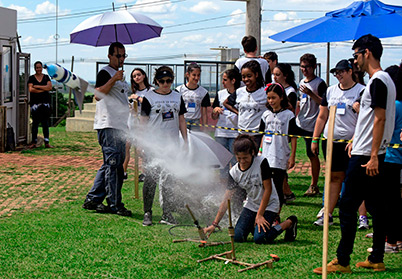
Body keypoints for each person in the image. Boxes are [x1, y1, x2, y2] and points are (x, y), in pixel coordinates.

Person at [314, 34, 396, 274]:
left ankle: (342, 260)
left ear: (367, 52)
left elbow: (380, 119)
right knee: (375, 206)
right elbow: (371, 120)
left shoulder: (378, 81)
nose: (355, 61)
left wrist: (371, 155)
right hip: (366, 151)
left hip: (366, 157)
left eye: (356, 55)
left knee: (347, 206)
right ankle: (377, 257)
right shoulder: (385, 80)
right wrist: (356, 140)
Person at [204, 134, 298, 244]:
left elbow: (268, 189)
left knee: (260, 238)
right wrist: (214, 224)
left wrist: (260, 215)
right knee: (238, 237)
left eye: (245, 158)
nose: (242, 161)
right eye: (239, 158)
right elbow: (226, 199)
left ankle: (289, 222)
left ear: (252, 153)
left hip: (269, 204)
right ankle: (255, 227)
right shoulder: (234, 173)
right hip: (252, 204)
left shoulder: (262, 162)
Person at [311, 59, 364, 227]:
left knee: (354, 179)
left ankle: (361, 216)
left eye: (341, 71)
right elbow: (322, 116)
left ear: (350, 71)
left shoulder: (361, 91)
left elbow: (365, 119)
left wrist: (355, 138)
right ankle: (328, 213)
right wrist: (315, 138)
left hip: (352, 143)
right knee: (334, 177)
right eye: (336, 72)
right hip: (331, 142)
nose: (338, 75)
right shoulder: (330, 91)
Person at [82, 42, 132, 217]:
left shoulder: (121, 76)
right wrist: (114, 79)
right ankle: (114, 203)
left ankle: (93, 198)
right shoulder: (106, 73)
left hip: (119, 126)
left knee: (112, 163)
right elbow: (98, 94)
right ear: (109, 56)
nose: (121, 59)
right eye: (118, 55)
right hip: (108, 125)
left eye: (124, 55)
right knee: (114, 165)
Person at [141, 66, 188, 226]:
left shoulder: (177, 96)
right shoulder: (149, 97)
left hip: (172, 146)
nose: (165, 84)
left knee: (169, 180)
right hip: (154, 146)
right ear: (156, 81)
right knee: (150, 179)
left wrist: (185, 141)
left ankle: (166, 213)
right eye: (162, 81)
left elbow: (181, 119)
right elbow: (143, 123)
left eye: (169, 81)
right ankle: (147, 212)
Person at [259, 83, 297, 209]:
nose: (271, 101)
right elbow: (263, 135)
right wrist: (260, 150)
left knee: (277, 185)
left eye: (273, 98)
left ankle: (277, 213)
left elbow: (293, 137)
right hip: (266, 155)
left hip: (280, 155)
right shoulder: (265, 115)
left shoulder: (288, 115)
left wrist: (292, 156)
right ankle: (267, 211)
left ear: (281, 97)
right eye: (269, 98)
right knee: (266, 185)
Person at [294, 53, 328, 197]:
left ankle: (314, 185)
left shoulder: (319, 83)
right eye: (302, 67)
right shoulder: (302, 82)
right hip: (300, 122)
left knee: (312, 154)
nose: (304, 70)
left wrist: (311, 94)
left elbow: (324, 103)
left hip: (312, 125)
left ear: (314, 67)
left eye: (307, 67)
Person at [223, 60, 267, 148]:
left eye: (249, 76)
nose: (246, 79)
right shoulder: (239, 91)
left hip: (257, 135)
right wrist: (238, 112)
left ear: (256, 75)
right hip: (241, 134)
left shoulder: (265, 91)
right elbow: (226, 103)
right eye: (243, 77)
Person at [382, 64, 402, 253]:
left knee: (390, 203)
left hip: (391, 158)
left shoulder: (395, 105)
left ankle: (391, 241)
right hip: (395, 158)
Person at [123, 68, 154, 180]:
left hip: (145, 123)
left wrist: (139, 98)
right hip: (133, 122)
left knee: (141, 149)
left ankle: (146, 171)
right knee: (126, 145)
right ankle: (124, 172)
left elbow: (151, 105)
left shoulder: (151, 91)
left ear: (144, 76)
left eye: (139, 75)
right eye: (134, 76)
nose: (137, 77)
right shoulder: (134, 92)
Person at [211, 69, 241, 179]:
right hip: (221, 133)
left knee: (235, 161)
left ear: (233, 81)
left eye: (225, 80)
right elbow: (214, 116)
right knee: (222, 162)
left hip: (235, 134)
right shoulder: (220, 94)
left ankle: (235, 184)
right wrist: (215, 111)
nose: (222, 82)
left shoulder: (241, 93)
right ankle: (223, 186)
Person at [176, 62, 210, 131]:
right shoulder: (179, 90)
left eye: (198, 75)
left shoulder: (203, 92)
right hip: (183, 121)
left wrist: (205, 128)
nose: (196, 78)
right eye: (194, 75)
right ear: (188, 74)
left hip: (196, 122)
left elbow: (204, 114)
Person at [27, 61, 53, 149]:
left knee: (45, 123)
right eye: (37, 68)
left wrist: (37, 87)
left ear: (42, 68)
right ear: (35, 68)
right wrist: (43, 89)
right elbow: (31, 89)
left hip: (45, 103)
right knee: (35, 123)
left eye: (40, 67)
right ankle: (34, 142)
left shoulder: (46, 77)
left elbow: (49, 87)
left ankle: (47, 142)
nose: (39, 69)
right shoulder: (31, 78)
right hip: (35, 104)